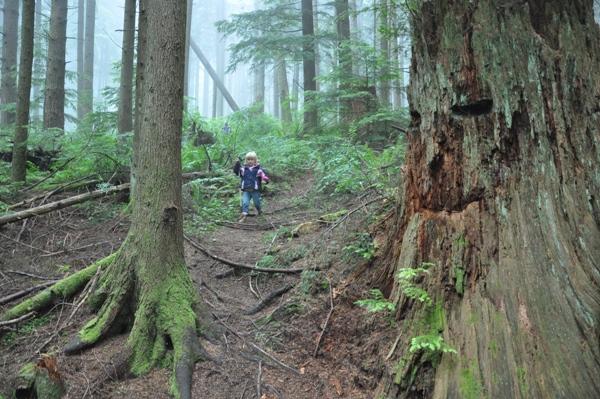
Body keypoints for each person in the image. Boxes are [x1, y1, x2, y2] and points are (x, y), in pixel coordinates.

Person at [233, 152, 269, 222]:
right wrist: (237, 163)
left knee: (256, 203)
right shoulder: (243, 169)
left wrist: (265, 180)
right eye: (248, 159)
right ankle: (244, 215)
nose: (250, 161)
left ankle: (260, 210)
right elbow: (236, 171)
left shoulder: (258, 169)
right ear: (246, 160)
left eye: (252, 159)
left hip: (255, 190)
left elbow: (265, 176)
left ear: (255, 160)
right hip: (247, 190)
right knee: (245, 203)